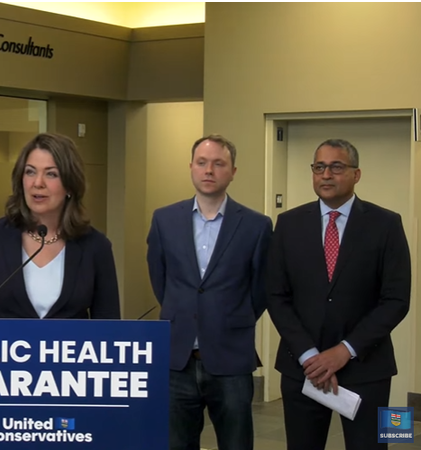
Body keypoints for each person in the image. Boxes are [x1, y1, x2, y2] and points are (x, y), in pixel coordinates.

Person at [266, 138, 411, 450]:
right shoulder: (288, 224)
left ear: (356, 174)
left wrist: (344, 350)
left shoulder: (386, 224)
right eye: (319, 167)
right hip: (303, 368)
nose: (326, 175)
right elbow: (276, 296)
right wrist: (309, 356)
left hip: (367, 368)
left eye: (336, 167)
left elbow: (397, 300)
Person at [146, 134, 273, 450]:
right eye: (202, 163)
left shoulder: (256, 225)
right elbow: (160, 279)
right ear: (191, 166)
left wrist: (231, 317)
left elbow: (261, 289)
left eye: (218, 164)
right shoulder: (164, 219)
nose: (209, 170)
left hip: (231, 357)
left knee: (236, 443)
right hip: (177, 359)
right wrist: (184, 311)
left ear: (233, 171)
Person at [0, 132, 120, 320]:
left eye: (51, 174)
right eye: (30, 172)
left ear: (70, 185)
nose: (38, 183)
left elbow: (110, 326)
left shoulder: (96, 246)